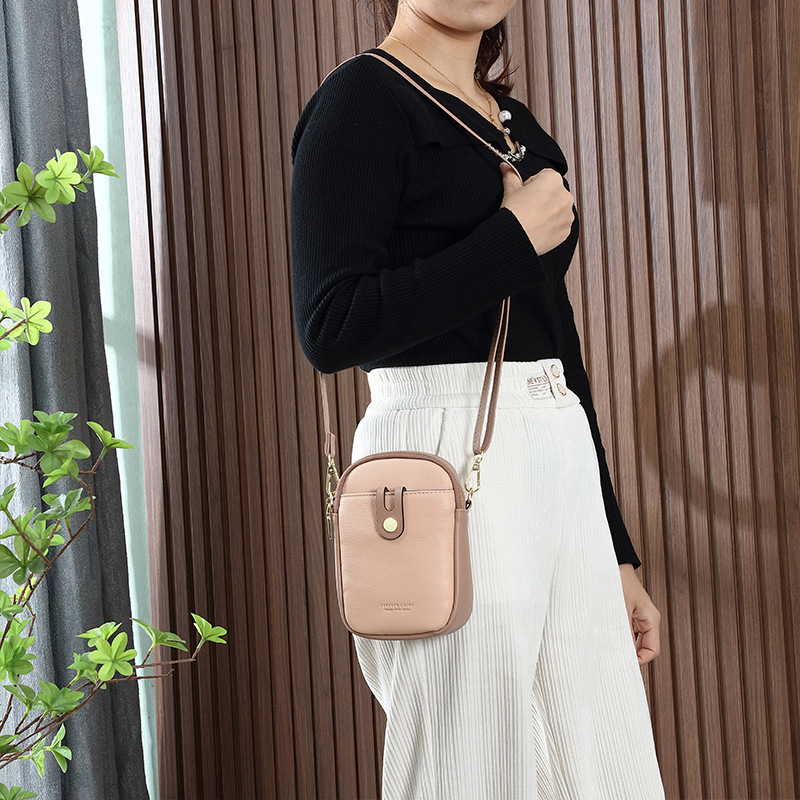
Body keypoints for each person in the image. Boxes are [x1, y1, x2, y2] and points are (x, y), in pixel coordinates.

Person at [289, 0, 667, 796]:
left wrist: (617, 550)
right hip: (440, 448)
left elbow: (554, 338)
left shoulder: (514, 124)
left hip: (555, 441)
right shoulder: (362, 99)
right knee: (471, 759)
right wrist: (510, 239)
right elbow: (332, 325)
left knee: (602, 760)